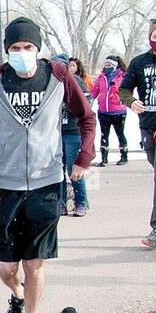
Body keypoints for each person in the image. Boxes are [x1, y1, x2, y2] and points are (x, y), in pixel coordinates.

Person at [0, 17, 95, 313]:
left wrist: (83, 157)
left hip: (46, 183)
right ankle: (16, 296)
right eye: (15, 48)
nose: (22, 54)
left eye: (28, 48)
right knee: (9, 267)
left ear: (38, 49)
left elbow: (87, 117)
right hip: (4, 185)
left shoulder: (58, 77)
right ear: (7, 51)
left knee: (34, 264)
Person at [119, 20, 156, 249]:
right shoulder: (140, 62)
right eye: (155, 37)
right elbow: (124, 89)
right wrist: (132, 102)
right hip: (148, 126)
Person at [61, 57, 91, 216]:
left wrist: (69, 105)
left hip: (73, 131)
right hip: (56, 131)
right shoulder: (50, 82)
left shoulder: (76, 81)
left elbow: (87, 103)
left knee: (73, 168)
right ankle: (61, 203)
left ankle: (81, 202)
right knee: (56, 170)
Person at [91, 55, 128, 166]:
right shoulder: (101, 77)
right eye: (106, 64)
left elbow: (127, 91)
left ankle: (124, 156)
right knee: (104, 135)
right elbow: (94, 91)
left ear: (115, 65)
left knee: (120, 133)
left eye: (109, 65)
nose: (107, 67)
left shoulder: (123, 76)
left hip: (118, 111)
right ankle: (104, 159)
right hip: (103, 111)